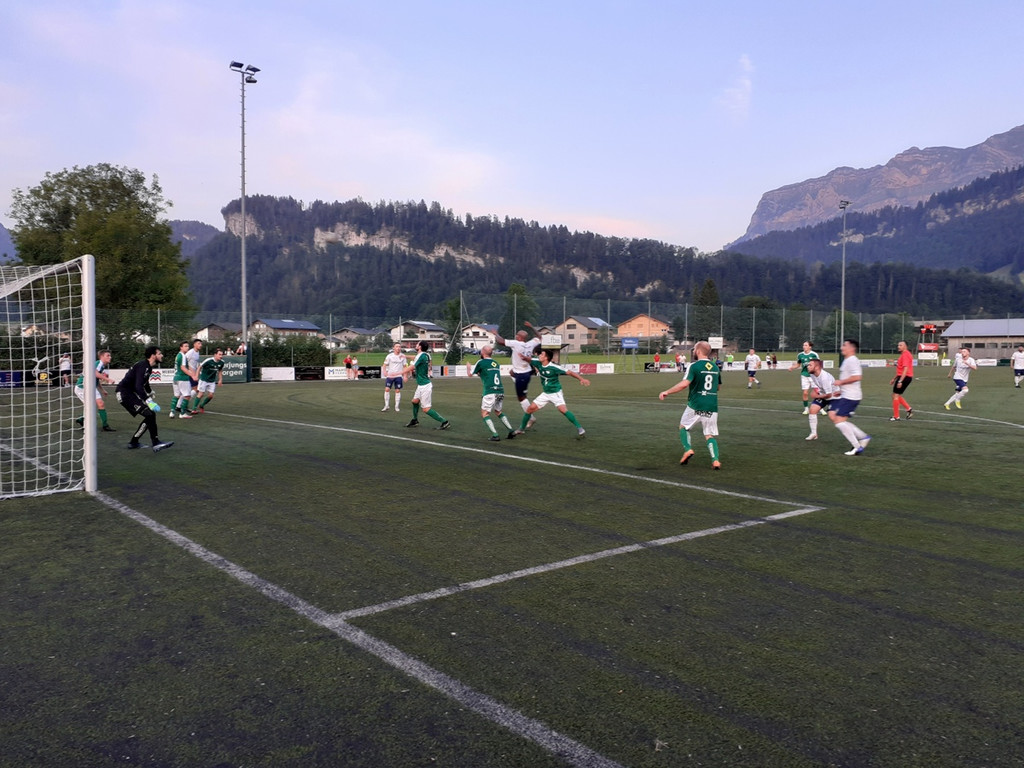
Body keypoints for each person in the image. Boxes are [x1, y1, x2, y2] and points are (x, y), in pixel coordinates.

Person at [658, 340, 722, 470]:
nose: (693, 352)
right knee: (709, 434)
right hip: (711, 405)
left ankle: (688, 449)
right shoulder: (715, 367)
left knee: (683, 427)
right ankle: (715, 460)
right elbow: (718, 387)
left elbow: (684, 384)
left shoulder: (694, 366)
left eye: (694, 350)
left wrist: (667, 391)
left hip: (696, 404)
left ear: (698, 351)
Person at [516, 348, 590, 437]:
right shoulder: (537, 362)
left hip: (555, 393)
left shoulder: (554, 367)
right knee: (529, 409)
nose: (539, 355)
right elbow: (529, 359)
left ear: (546, 358)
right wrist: (522, 356)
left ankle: (580, 428)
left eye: (542, 354)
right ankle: (521, 429)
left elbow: (570, 372)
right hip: (546, 393)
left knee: (563, 410)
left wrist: (581, 379)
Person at [115, 345, 173, 453]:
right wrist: (148, 400)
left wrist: (150, 392)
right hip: (124, 394)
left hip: (128, 393)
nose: (162, 355)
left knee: (150, 414)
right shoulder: (143, 366)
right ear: (153, 355)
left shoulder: (148, 367)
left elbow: (144, 383)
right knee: (149, 414)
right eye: (159, 353)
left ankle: (135, 442)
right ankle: (154, 443)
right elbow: (138, 386)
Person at [494, 321, 541, 428]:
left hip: (522, 375)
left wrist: (495, 333)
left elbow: (501, 341)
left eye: (517, 335)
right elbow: (540, 337)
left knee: (522, 398)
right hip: (526, 371)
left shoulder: (516, 343)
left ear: (519, 337)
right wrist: (532, 326)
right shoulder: (531, 343)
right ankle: (522, 388)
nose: (515, 336)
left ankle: (531, 417)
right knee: (511, 372)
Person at [830, 339, 871, 456]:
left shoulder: (852, 360)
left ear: (852, 348)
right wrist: (841, 391)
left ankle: (858, 446)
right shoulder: (847, 360)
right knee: (838, 420)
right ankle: (863, 438)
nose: (842, 347)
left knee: (839, 422)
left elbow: (857, 377)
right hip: (847, 395)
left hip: (851, 397)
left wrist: (841, 382)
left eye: (844, 345)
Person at [469, 345, 517, 441]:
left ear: (482, 352)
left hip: (490, 391)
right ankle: (511, 430)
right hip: (500, 390)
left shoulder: (481, 362)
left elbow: (470, 374)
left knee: (485, 413)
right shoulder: (496, 363)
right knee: (498, 411)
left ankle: (495, 435)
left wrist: (468, 367)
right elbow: (483, 374)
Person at [403, 341, 450, 429]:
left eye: (417, 344)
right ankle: (415, 420)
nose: (416, 345)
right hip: (421, 384)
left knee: (426, 409)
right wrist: (404, 356)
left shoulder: (421, 356)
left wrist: (400, 372)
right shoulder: (425, 355)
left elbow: (412, 366)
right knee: (415, 401)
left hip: (425, 386)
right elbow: (415, 357)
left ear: (420, 347)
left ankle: (445, 421)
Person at [74, 349, 116, 432]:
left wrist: (103, 390)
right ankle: (83, 421)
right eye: (108, 355)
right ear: (101, 356)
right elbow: (95, 373)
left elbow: (96, 379)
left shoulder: (102, 365)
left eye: (110, 355)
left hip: (91, 387)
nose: (110, 357)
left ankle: (105, 426)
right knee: (90, 406)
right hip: (82, 387)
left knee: (100, 403)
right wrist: (108, 379)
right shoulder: (98, 363)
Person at [803, 357, 840, 441]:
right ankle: (813, 434)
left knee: (833, 417)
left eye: (810, 365)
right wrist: (815, 391)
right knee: (812, 410)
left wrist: (817, 396)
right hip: (824, 394)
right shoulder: (812, 374)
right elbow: (817, 386)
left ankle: (850, 431)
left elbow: (829, 395)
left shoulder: (825, 377)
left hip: (834, 397)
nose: (808, 366)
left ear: (816, 367)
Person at [788, 340, 821, 415]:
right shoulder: (800, 355)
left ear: (810, 346)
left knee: (817, 392)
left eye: (806, 345)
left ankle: (820, 408)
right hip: (804, 375)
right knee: (805, 393)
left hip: (813, 376)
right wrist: (792, 367)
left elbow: (818, 364)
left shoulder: (814, 354)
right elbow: (798, 365)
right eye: (803, 345)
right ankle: (806, 409)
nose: (804, 347)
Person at [194, 348, 225, 413]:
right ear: (215, 355)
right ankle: (194, 409)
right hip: (204, 379)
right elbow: (200, 367)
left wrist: (220, 379)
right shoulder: (208, 360)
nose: (221, 356)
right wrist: (196, 375)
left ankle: (202, 405)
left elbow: (220, 371)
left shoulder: (222, 362)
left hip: (212, 381)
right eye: (219, 354)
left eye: (222, 355)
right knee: (201, 394)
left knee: (211, 396)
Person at [890, 340, 915, 421]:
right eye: (898, 345)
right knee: (895, 395)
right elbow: (901, 369)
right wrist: (894, 378)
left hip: (905, 377)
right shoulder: (904, 355)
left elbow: (905, 369)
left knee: (895, 395)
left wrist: (900, 381)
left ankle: (896, 416)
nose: (898, 346)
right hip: (903, 377)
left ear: (905, 346)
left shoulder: (906, 355)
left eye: (900, 345)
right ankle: (909, 409)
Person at [169, 341, 194, 419]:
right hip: (182, 378)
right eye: (185, 346)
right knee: (187, 396)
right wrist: (192, 375)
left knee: (176, 395)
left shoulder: (178, 355)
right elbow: (183, 367)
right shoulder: (182, 355)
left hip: (176, 378)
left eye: (188, 346)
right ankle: (182, 413)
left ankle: (172, 412)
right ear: (181, 347)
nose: (187, 347)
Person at [381, 343, 407, 411]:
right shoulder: (389, 356)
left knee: (397, 390)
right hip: (390, 375)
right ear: (394, 348)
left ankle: (396, 406)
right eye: (397, 346)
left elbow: (405, 367)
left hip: (398, 376)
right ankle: (386, 405)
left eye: (399, 347)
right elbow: (384, 365)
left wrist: (405, 376)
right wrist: (384, 372)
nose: (398, 348)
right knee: (387, 389)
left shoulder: (403, 356)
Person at [185, 339, 203, 412]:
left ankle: (184, 404)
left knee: (196, 389)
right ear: (194, 344)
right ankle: (184, 405)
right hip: (190, 373)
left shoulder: (197, 352)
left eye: (201, 344)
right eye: (199, 343)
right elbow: (184, 361)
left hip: (194, 373)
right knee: (196, 389)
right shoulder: (190, 352)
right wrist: (191, 372)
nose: (200, 345)